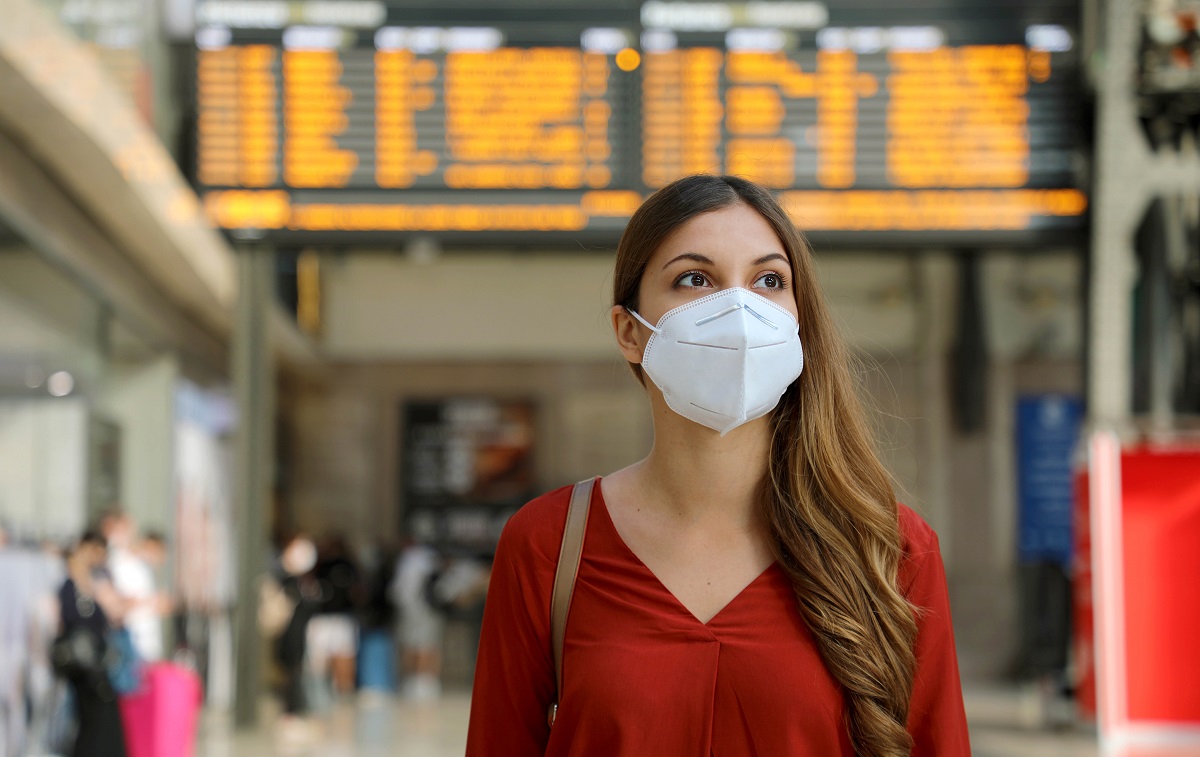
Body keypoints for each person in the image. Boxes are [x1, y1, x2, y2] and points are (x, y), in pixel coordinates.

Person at [466, 175, 970, 756]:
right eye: (695, 279)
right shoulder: (548, 546)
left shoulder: (891, 549)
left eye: (769, 280)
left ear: (798, 322)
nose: (739, 309)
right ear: (630, 331)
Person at [57, 531, 127, 757]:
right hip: (83, 667)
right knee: (90, 719)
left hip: (96, 664)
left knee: (102, 718)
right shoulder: (70, 589)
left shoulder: (90, 589)